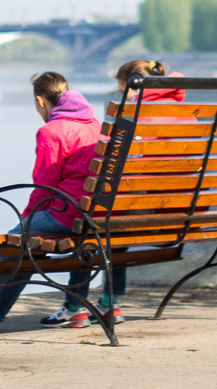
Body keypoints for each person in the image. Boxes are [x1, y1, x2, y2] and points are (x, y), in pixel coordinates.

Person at [0, 71, 103, 330]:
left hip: (66, 215)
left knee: (4, 249)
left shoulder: (52, 131)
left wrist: (26, 216)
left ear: (40, 101)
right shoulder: (96, 125)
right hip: (96, 215)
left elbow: (43, 187)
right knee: (27, 247)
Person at [79, 59, 190, 322]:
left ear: (134, 85)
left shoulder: (143, 112)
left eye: (122, 91)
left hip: (158, 210)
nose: (122, 96)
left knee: (98, 220)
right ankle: (108, 302)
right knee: (115, 219)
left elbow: (130, 165)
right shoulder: (184, 111)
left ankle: (84, 304)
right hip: (188, 208)